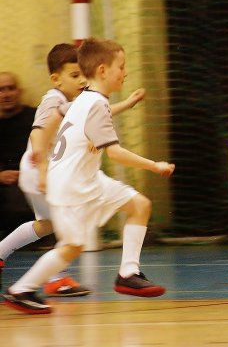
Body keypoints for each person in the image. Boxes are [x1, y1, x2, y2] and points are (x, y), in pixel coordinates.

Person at [3, 38, 175, 314]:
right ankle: (20, 289)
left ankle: (128, 273)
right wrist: (154, 166)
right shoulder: (95, 104)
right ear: (104, 70)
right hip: (71, 186)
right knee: (72, 246)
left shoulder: (84, 99)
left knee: (140, 205)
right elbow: (116, 154)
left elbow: (54, 119)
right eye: (122, 66)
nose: (126, 72)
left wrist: (45, 159)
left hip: (87, 179)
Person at [0, 73, 36, 235]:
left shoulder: (36, 117)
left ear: (19, 91)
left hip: (34, 178)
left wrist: (29, 173)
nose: (6, 94)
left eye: (10, 88)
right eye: (1, 90)